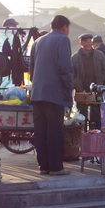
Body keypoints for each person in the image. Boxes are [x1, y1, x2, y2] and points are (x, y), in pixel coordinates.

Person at [29, 14, 74, 176]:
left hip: (37, 94)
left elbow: (32, 70)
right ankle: (56, 167)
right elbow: (65, 69)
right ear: (64, 27)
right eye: (68, 28)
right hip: (54, 94)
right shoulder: (63, 40)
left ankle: (44, 166)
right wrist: (69, 94)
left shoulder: (37, 41)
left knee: (41, 131)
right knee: (55, 131)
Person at [71, 32, 105, 129]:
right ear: (81, 43)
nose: (88, 44)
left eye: (89, 41)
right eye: (85, 41)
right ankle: (81, 136)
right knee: (81, 116)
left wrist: (100, 81)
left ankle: (94, 135)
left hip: (96, 89)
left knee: (96, 115)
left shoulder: (99, 55)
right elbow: (72, 74)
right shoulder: (75, 57)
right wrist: (78, 87)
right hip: (81, 90)